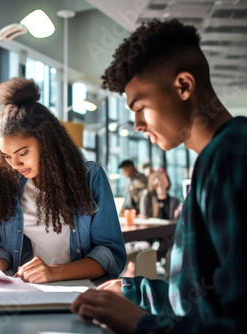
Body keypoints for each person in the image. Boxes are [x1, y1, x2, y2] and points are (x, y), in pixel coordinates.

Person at [71, 19, 247, 333]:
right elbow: (201, 301)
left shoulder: (231, 157)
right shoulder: (214, 160)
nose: (136, 124)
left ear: (183, 86)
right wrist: (134, 292)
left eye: (140, 106)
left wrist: (141, 325)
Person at [0, 77, 126, 284]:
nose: (15, 164)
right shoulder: (12, 185)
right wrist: (0, 260)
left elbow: (111, 255)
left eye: (22, 153)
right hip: (31, 290)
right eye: (7, 157)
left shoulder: (90, 178)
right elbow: (6, 247)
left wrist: (54, 272)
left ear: (46, 142)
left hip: (82, 291)